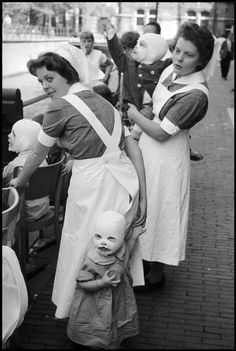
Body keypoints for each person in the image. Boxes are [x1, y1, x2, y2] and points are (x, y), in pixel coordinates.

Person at [10, 43, 147, 318]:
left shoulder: (59, 107)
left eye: (50, 78)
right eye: (40, 81)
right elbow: (128, 144)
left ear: (68, 73)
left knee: (81, 244)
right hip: (120, 181)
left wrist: (20, 181)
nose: (45, 86)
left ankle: (80, 313)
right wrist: (144, 194)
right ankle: (111, 315)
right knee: (112, 247)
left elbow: (38, 150)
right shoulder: (102, 101)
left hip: (91, 183)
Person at [127, 22, 218, 293]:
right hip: (149, 153)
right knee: (146, 207)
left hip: (167, 159)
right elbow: (153, 107)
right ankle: (144, 262)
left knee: (162, 212)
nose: (178, 58)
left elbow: (161, 131)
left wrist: (133, 116)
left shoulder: (196, 95)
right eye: (177, 50)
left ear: (201, 59)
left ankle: (157, 273)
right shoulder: (170, 69)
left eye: (188, 55)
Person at [67, 211, 145, 349]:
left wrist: (133, 235)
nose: (103, 242)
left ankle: (112, 342)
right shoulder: (92, 260)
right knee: (98, 326)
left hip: (116, 300)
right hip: (95, 304)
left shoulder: (121, 250)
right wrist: (101, 283)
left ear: (122, 238)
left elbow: (129, 251)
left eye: (111, 238)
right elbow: (83, 283)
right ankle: (97, 345)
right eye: (98, 236)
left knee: (114, 322)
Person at [143, 21, 203, 161]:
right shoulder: (141, 50)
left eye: (150, 33)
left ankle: (187, 147)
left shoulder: (167, 55)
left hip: (164, 95)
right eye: (145, 33)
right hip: (146, 94)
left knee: (175, 119)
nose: (147, 36)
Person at [104, 23, 171, 137]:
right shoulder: (128, 63)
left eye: (141, 44)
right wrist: (111, 36)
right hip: (134, 109)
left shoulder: (161, 64)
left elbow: (175, 67)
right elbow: (117, 54)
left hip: (154, 109)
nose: (136, 48)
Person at [2, 119, 50, 222]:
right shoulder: (43, 160)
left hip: (24, 212)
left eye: (14, 134)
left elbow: (4, 182)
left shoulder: (15, 165)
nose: (9, 136)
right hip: (42, 208)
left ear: (25, 140)